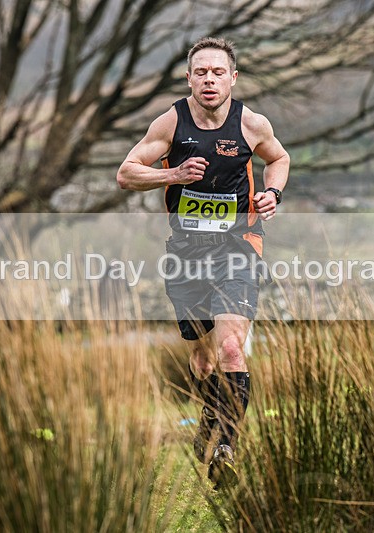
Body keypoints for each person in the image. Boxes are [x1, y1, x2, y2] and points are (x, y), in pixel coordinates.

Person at [117, 37, 289, 488]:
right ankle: (211, 411)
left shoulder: (251, 123)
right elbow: (126, 172)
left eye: (218, 73)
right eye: (201, 73)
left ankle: (228, 446)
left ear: (232, 77)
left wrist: (272, 193)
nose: (209, 80)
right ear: (189, 77)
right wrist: (171, 174)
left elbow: (280, 158)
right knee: (203, 358)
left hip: (238, 246)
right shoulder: (171, 122)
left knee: (231, 348)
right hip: (186, 253)